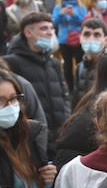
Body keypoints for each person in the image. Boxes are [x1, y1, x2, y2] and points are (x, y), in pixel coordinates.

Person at [5, 12, 70, 160]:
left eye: (51, 29)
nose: (49, 33)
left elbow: (64, 94)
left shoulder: (53, 63)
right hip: (30, 137)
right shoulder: (12, 62)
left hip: (58, 137)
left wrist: (66, 122)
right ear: (28, 32)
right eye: (43, 29)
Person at [51, 0, 88, 90]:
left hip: (78, 40)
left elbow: (84, 22)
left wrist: (73, 15)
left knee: (80, 64)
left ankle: (80, 86)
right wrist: (61, 14)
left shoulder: (81, 7)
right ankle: (70, 87)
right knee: (67, 65)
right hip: (64, 40)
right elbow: (54, 23)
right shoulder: (58, 7)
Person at [72, 17, 107, 105]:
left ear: (105, 40)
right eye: (86, 34)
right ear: (80, 38)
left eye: (97, 35)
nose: (91, 39)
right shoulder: (79, 68)